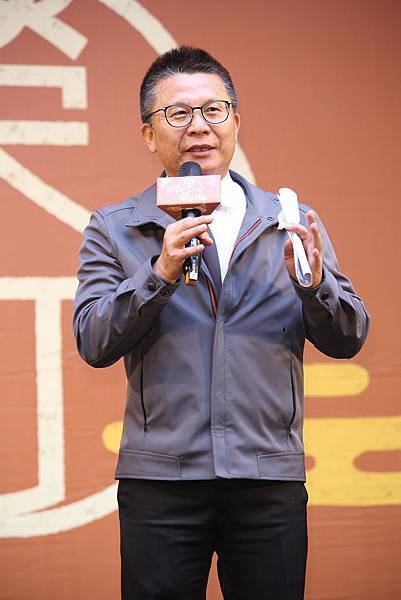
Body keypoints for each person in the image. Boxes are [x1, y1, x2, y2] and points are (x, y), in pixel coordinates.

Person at [73, 46, 370, 600]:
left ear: (236, 122)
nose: (198, 127)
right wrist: (159, 273)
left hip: (267, 478)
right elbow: (93, 339)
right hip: (161, 482)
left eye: (214, 110)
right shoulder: (115, 228)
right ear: (148, 133)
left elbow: (349, 336)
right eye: (178, 113)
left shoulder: (289, 221)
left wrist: (312, 286)